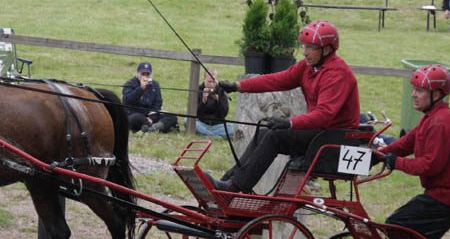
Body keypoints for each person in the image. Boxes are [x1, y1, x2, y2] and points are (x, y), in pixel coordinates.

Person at [206, 21, 360, 193]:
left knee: (275, 137)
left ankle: (234, 187)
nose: (305, 52)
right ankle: (228, 181)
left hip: (336, 138)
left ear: (327, 49)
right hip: (320, 133)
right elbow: (276, 80)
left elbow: (324, 114)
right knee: (264, 133)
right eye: (304, 46)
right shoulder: (308, 67)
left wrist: (290, 123)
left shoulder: (337, 74)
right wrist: (238, 86)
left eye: (311, 47)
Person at [379, 65, 450, 239]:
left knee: (398, 225)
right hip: (444, 192)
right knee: (412, 233)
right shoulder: (432, 117)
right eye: (414, 89)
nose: (413, 95)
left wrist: (396, 162)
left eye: (419, 90)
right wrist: (380, 154)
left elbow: (430, 165)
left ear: (436, 95)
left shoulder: (442, 121)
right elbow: (407, 142)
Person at [123, 61, 178, 133]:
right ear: (137, 74)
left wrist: (152, 118)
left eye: (147, 74)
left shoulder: (155, 85)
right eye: (143, 74)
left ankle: (150, 129)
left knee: (172, 116)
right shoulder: (130, 83)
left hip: (150, 115)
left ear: (151, 75)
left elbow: (158, 104)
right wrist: (141, 88)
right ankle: (158, 127)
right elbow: (127, 101)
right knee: (137, 118)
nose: (145, 77)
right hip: (134, 114)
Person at [195, 70, 231, 137]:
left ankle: (207, 134)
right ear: (204, 80)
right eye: (209, 81)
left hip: (218, 125)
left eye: (213, 82)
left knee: (235, 127)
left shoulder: (221, 91)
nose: (211, 84)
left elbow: (224, 114)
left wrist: (218, 100)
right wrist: (203, 101)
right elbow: (195, 114)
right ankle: (214, 135)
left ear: (217, 80)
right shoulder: (199, 90)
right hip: (202, 123)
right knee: (187, 121)